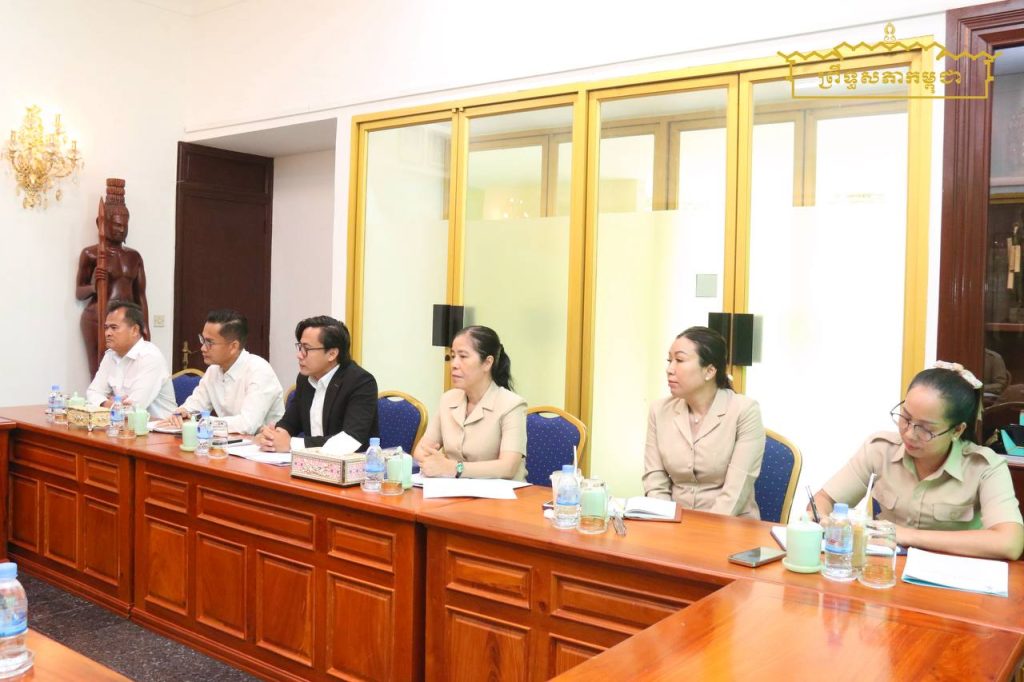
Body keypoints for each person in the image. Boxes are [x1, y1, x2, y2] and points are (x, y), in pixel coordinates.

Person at [810, 363, 1024, 561]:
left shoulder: (985, 467)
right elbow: (824, 500)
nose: (909, 434)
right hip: (885, 573)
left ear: (957, 430)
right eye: (905, 418)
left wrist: (905, 535)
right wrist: (824, 520)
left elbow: (1010, 543)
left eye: (925, 428)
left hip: (953, 577)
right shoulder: (879, 450)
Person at [642, 326, 765, 518]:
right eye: (669, 361)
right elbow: (655, 481)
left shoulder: (744, 411)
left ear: (709, 371)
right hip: (673, 524)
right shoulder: (659, 411)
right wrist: (665, 521)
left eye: (679, 360)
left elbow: (735, 493)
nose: (669, 369)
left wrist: (701, 531)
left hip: (730, 525)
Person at [414, 326, 527, 480]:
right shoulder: (448, 399)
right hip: (454, 490)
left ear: (487, 363)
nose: (454, 364)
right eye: (453, 356)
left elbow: (508, 467)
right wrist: (435, 462)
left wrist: (454, 468)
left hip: (500, 493)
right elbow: (421, 451)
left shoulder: (512, 405)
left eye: (463, 356)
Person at [259, 316, 378, 452]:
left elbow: (350, 439)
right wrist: (274, 436)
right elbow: (290, 422)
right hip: (309, 462)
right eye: (300, 347)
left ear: (332, 354)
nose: (299, 355)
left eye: (306, 349)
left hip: (353, 462)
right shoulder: (305, 379)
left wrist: (291, 444)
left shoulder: (361, 382)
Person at [162, 309, 285, 434]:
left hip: (262, 443)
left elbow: (247, 425)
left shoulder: (259, 371)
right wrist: (181, 413)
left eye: (209, 342)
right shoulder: (213, 370)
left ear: (233, 347)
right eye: (202, 340)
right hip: (228, 441)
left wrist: (200, 420)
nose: (203, 348)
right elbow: (193, 406)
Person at [76, 179, 150, 376]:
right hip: (98, 317)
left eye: (124, 225)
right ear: (101, 223)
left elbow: (140, 296)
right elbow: (79, 292)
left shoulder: (133, 257)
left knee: (131, 370)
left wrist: (145, 326)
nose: (121, 229)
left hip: (128, 320)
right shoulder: (91, 254)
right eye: (116, 225)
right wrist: (93, 287)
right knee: (100, 370)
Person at [86, 300, 176, 419]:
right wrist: (110, 404)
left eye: (114, 328)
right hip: (122, 424)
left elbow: (134, 409)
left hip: (159, 427)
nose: (107, 333)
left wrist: (110, 403)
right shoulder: (110, 356)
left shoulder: (150, 357)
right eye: (106, 328)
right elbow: (92, 393)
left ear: (134, 330)